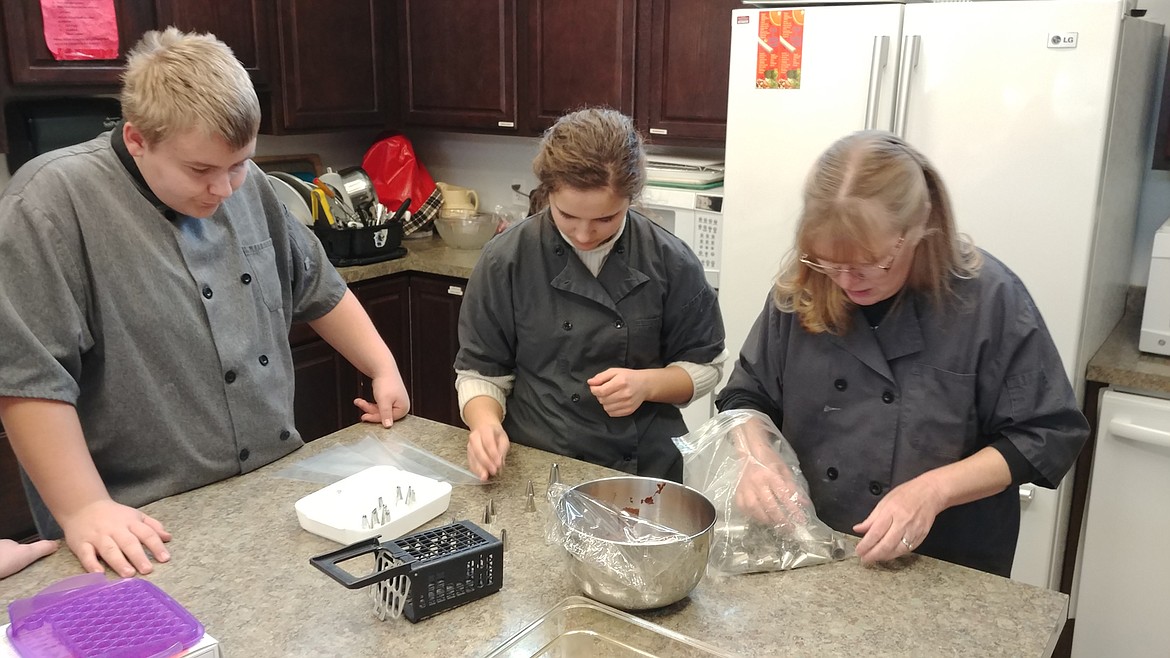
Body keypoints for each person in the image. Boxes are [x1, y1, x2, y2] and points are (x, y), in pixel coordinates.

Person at [0, 28, 409, 579]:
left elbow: (317, 285)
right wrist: (83, 508)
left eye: (239, 163)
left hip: (273, 486)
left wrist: (380, 366)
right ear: (138, 138)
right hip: (140, 522)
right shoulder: (49, 204)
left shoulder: (250, 187)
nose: (225, 189)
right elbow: (29, 380)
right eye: (200, 171)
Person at [715, 131, 1089, 576]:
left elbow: (1046, 433)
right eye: (831, 263)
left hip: (945, 564)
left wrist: (933, 490)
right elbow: (746, 397)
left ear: (918, 229)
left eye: (870, 263)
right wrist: (755, 456)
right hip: (811, 549)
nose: (848, 282)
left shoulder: (989, 301)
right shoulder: (805, 286)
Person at [454, 108, 726, 482]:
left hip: (643, 470)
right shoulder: (507, 259)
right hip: (539, 458)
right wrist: (484, 424)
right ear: (547, 192)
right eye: (566, 216)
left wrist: (646, 384)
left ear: (631, 198)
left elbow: (707, 366)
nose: (584, 235)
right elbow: (481, 371)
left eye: (605, 219)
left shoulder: (670, 260)